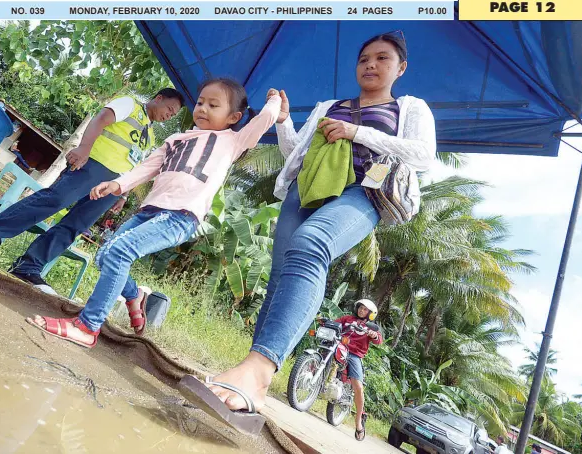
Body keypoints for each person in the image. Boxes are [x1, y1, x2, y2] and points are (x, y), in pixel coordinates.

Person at [176, 31, 436, 435]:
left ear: (400, 68)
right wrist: (284, 122)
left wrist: (356, 133)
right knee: (280, 281)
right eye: (364, 57)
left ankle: (258, 371)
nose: (370, 64)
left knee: (312, 245)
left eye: (382, 58)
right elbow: (295, 153)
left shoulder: (410, 107)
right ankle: (250, 383)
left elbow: (423, 155)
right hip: (305, 190)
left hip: (363, 193)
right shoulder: (330, 106)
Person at [26, 80, 281, 346]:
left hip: (180, 216)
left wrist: (274, 100)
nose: (203, 108)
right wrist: (118, 184)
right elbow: (147, 167)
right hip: (149, 211)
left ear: (234, 117)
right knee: (104, 256)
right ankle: (134, 295)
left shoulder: (233, 141)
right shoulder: (175, 139)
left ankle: (88, 327)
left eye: (213, 105)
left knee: (119, 252)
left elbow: (265, 119)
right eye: (201, 102)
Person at [0, 88, 184, 294]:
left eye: (173, 115)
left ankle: (28, 266)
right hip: (92, 164)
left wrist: (123, 193)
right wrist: (84, 148)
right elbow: (100, 120)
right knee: (53, 200)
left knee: (77, 224)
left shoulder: (151, 136)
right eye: (170, 109)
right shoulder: (130, 104)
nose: (169, 115)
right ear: (159, 98)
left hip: (113, 185)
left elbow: (134, 164)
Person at [334, 299, 382, 440]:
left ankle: (358, 422)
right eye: (360, 308)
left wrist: (373, 335)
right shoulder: (347, 319)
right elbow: (335, 322)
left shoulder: (371, 326)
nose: (361, 310)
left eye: (365, 309)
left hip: (354, 355)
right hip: (340, 346)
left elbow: (378, 340)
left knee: (358, 388)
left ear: (370, 314)